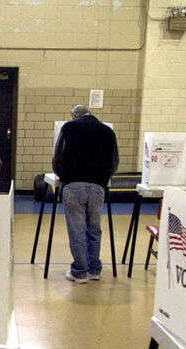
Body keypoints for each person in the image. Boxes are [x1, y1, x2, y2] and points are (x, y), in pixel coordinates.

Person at [52, 104, 119, 283]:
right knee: (94, 229)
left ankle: (79, 272)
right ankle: (94, 270)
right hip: (98, 186)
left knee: (77, 229)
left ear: (74, 116)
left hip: (73, 184)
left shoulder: (69, 127)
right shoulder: (107, 131)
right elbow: (114, 162)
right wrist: (103, 179)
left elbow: (58, 155)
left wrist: (62, 175)